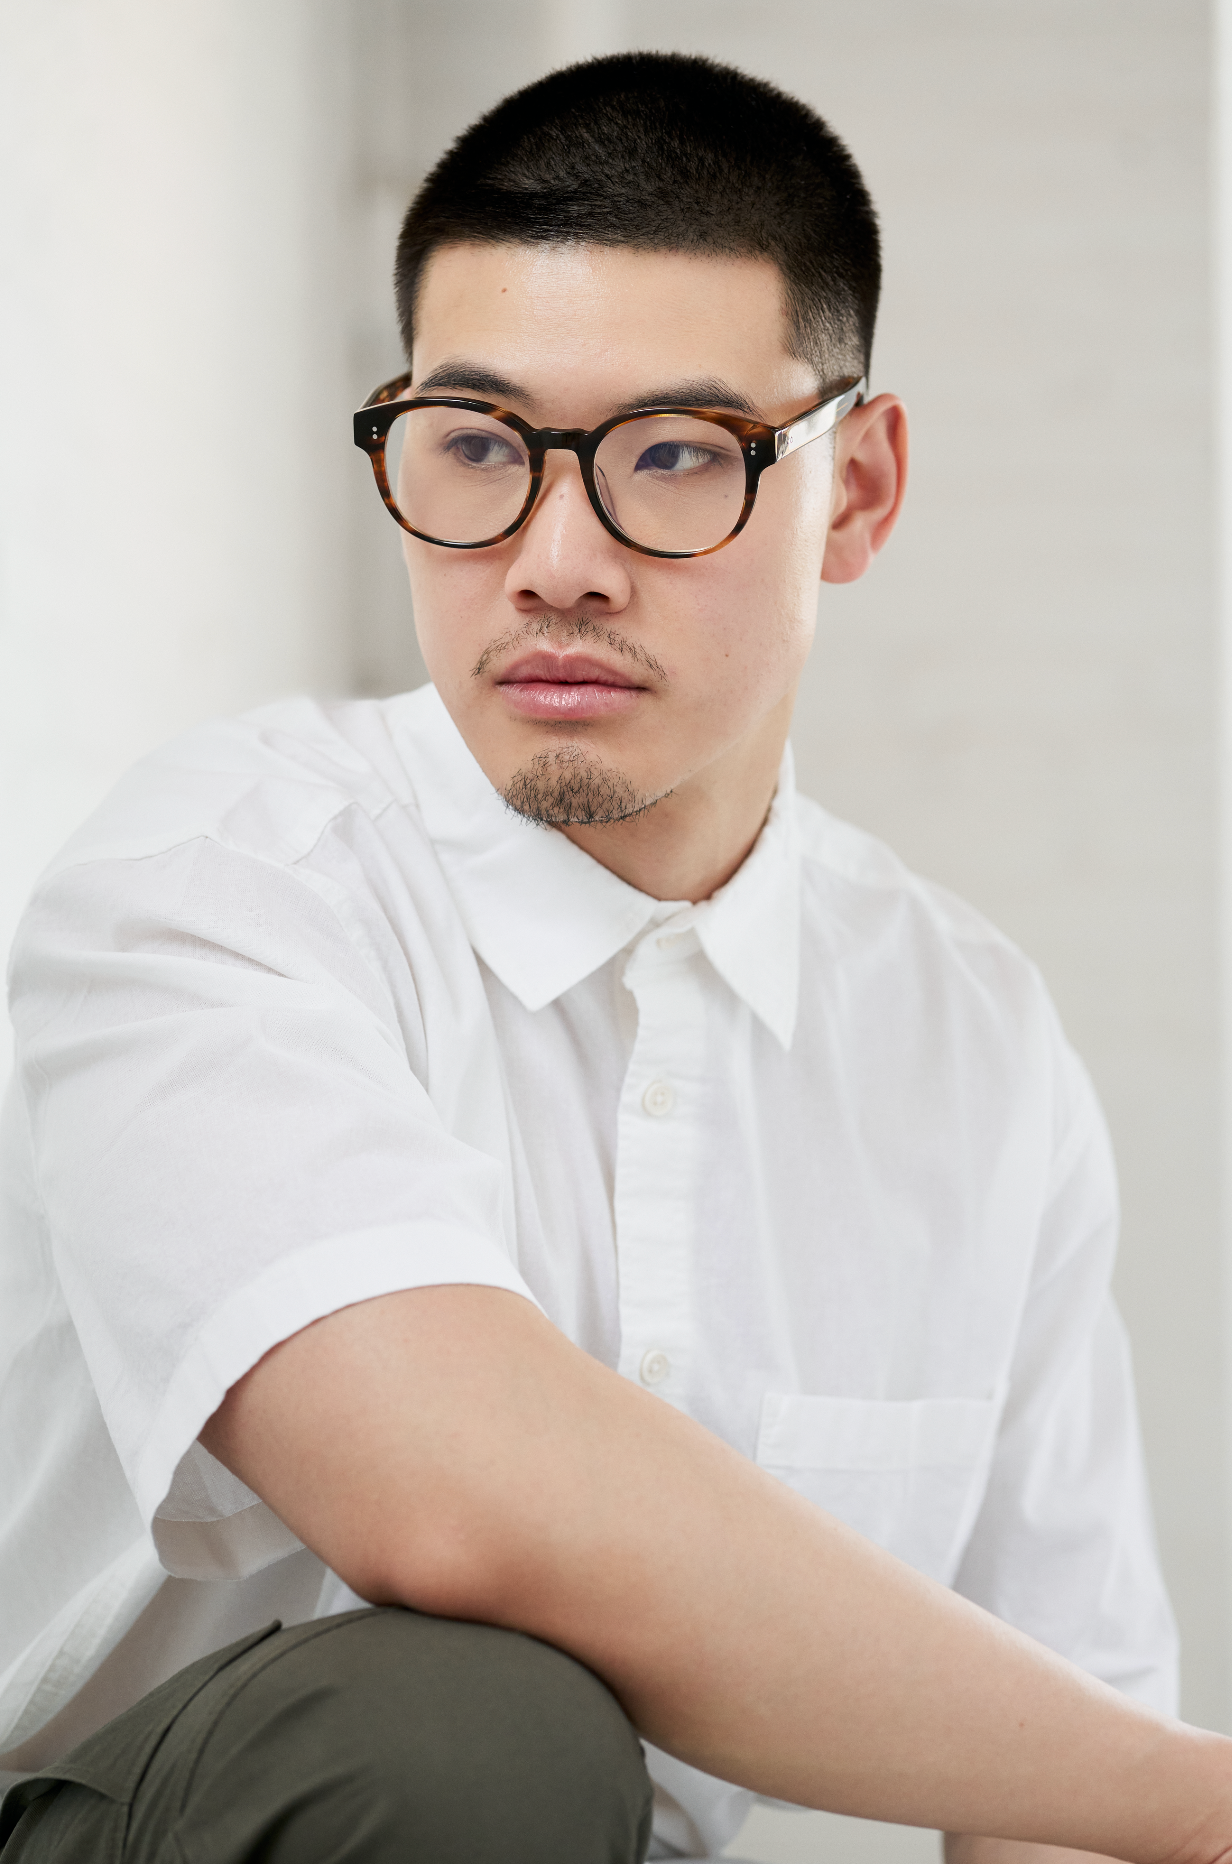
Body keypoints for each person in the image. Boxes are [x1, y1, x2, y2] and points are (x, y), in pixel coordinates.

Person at [0, 48, 1224, 1864]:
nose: (553, 560)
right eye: (480, 447)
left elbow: (1060, 1778)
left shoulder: (973, 1042)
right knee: (468, 1730)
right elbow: (457, 1504)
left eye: (675, 457)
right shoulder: (219, 884)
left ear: (860, 491)